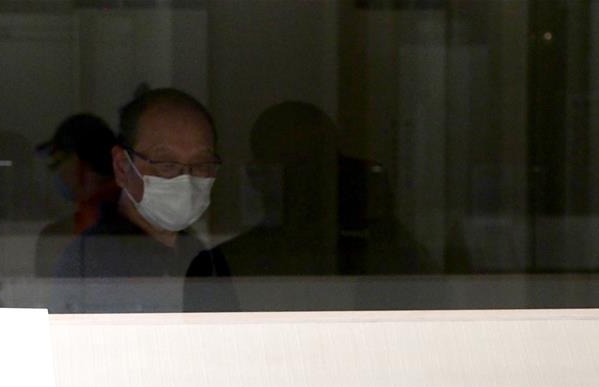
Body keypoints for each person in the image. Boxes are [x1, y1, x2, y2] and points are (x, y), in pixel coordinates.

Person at [184, 101, 434, 311]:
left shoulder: (384, 259)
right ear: (256, 175)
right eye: (291, 167)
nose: (306, 181)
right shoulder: (220, 268)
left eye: (316, 164)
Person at [51, 88, 220, 313]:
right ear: (122, 166)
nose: (186, 180)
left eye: (201, 164)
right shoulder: (90, 262)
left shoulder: (202, 257)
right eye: (166, 164)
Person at [35, 114, 120, 277]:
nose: (57, 173)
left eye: (58, 163)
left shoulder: (59, 237)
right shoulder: (136, 213)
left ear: (78, 162)